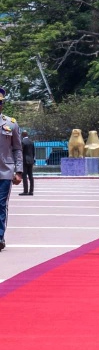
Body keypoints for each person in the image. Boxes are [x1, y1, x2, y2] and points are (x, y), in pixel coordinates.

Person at [0, 87, 24, 252]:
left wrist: (19, 171)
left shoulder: (11, 124)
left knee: (1, 204)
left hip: (5, 171)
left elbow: (17, 148)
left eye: (0, 103)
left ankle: (0, 237)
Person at [19, 132, 35, 196]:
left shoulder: (22, 142)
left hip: (24, 161)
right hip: (31, 160)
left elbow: (21, 152)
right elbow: (33, 152)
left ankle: (25, 191)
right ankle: (31, 191)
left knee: (24, 176)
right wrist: (32, 160)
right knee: (31, 176)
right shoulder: (31, 142)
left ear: (23, 135)